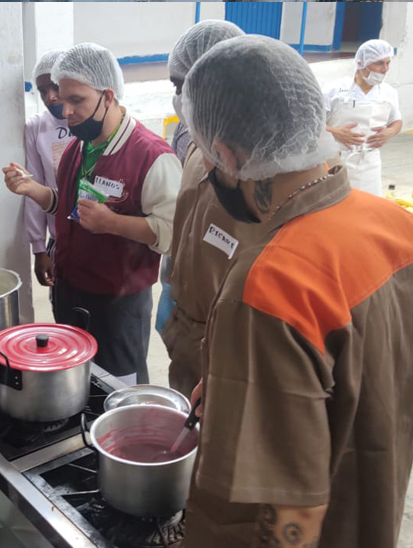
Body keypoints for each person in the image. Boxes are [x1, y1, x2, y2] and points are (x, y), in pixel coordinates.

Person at [178, 35, 413, 548]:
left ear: (229, 157)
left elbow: (290, 515)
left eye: (209, 162)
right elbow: (363, 381)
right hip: (373, 514)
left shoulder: (269, 285)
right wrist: (250, 393)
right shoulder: (404, 229)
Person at [4, 43, 180, 386]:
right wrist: (34, 190)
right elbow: (71, 208)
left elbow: (173, 231)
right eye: (59, 97)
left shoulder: (151, 156)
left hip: (119, 303)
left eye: (76, 100)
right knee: (77, 382)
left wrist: (113, 223)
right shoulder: (79, 147)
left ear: (108, 96)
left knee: (117, 388)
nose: (63, 109)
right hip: (71, 290)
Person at [160, 20, 244, 398]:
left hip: (226, 342)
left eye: (182, 87)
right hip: (185, 324)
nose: (177, 98)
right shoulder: (197, 144)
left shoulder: (256, 168)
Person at [324, 39, 402, 196]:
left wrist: (390, 132)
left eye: (388, 63)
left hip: (370, 162)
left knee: (369, 205)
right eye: (379, 63)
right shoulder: (334, 91)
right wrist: (335, 132)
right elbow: (311, 124)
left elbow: (397, 121)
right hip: (336, 160)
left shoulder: (389, 92)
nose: (385, 69)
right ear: (361, 63)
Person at [25, 48, 74, 290]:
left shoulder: (89, 123)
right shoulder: (36, 128)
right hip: (58, 238)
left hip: (97, 235)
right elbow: (34, 190)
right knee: (64, 310)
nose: (50, 97)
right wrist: (39, 248)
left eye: (56, 87)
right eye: (43, 91)